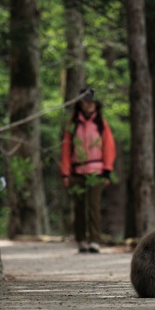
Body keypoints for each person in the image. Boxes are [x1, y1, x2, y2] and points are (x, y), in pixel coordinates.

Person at [60, 87, 116, 253]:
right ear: (80, 104)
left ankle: (94, 240)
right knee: (79, 208)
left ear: (95, 104)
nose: (88, 105)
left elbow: (109, 148)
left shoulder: (101, 125)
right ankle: (81, 240)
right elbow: (66, 149)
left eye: (91, 102)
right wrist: (65, 172)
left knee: (94, 207)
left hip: (96, 171)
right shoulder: (72, 125)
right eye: (85, 102)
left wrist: (107, 170)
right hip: (77, 171)